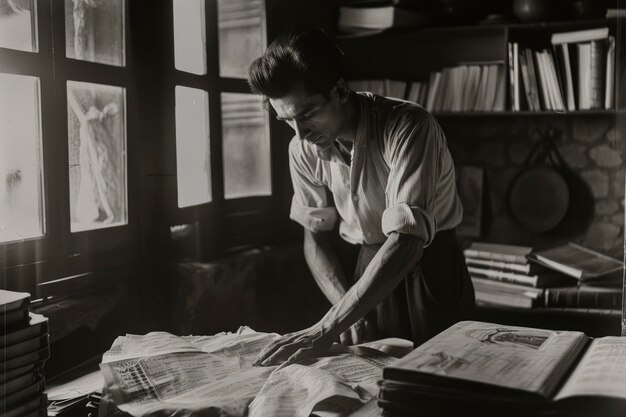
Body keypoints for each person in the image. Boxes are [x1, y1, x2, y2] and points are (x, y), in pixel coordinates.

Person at [249, 28, 474, 366]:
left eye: (308, 113)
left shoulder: (409, 126)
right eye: (286, 120)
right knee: (375, 380)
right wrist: (345, 307)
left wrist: (324, 328)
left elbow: (407, 241)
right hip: (368, 266)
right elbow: (315, 238)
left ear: (340, 90)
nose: (300, 134)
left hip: (431, 264)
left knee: (445, 379)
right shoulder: (302, 147)